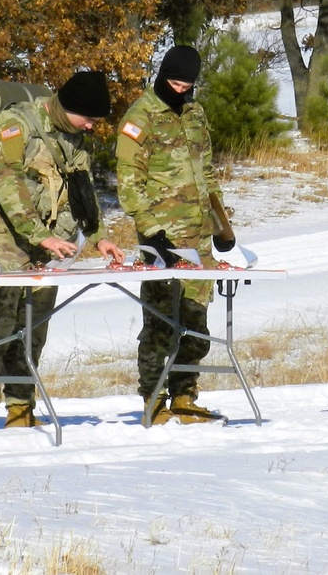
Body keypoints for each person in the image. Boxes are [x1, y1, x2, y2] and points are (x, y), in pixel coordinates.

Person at [0, 70, 125, 431]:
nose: (90, 127)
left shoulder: (76, 139)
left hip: (53, 245)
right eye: (88, 118)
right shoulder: (16, 124)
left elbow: (83, 190)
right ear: (68, 107)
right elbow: (6, 182)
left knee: (34, 327)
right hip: (9, 241)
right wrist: (38, 235)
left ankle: (21, 408)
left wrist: (99, 235)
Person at [115, 45, 236, 425]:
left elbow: (208, 172)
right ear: (163, 75)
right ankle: (154, 399)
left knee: (197, 322)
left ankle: (185, 396)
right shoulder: (140, 118)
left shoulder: (196, 114)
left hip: (199, 239)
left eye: (188, 84)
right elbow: (128, 185)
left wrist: (222, 227)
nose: (181, 89)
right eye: (174, 82)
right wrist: (153, 233)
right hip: (162, 239)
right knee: (161, 324)